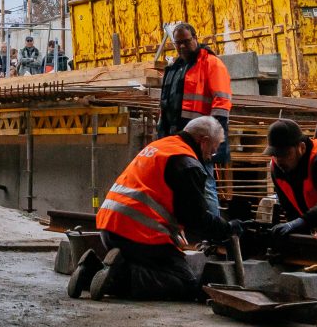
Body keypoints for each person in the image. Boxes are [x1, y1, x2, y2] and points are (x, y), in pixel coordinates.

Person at [71, 116, 234, 302]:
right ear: (203, 141)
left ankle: (90, 270)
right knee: (186, 284)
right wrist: (227, 228)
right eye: (212, 151)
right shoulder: (187, 164)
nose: (209, 157)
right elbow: (194, 218)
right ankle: (119, 277)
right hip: (138, 235)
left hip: (109, 229)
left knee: (160, 269)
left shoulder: (162, 147)